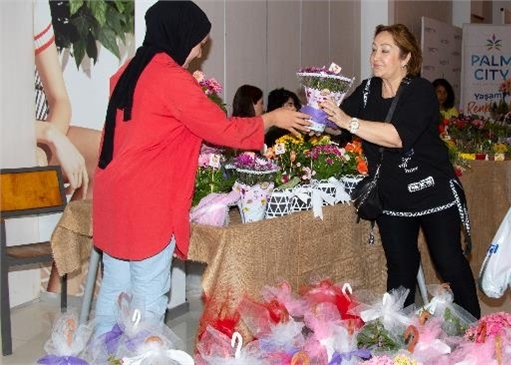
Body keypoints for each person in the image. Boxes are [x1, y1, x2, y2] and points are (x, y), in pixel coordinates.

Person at [92, 0, 311, 337]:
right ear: (181, 33)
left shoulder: (129, 69)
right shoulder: (170, 78)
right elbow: (222, 130)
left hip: (113, 198)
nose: (198, 51)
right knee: (148, 299)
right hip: (146, 203)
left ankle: (104, 354)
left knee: (115, 292)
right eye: (200, 41)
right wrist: (270, 119)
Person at [320, 24, 481, 318]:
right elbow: (338, 127)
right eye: (373, 49)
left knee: (449, 262)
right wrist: (321, 113)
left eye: (385, 50)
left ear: (406, 58)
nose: (375, 57)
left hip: (433, 192)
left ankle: (474, 329)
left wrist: (348, 121)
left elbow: (397, 137)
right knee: (400, 269)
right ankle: (400, 339)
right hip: (391, 197)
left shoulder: (420, 91)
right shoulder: (368, 91)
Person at [33, 0, 102, 293]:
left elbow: (60, 99)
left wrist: (52, 137)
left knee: (103, 151)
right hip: (24, 133)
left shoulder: (32, 7)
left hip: (32, 134)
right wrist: (47, 134)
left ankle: (63, 294)